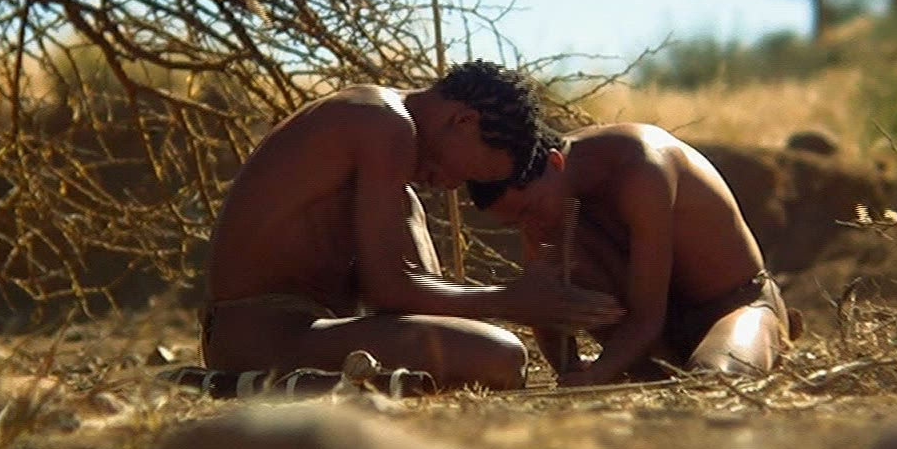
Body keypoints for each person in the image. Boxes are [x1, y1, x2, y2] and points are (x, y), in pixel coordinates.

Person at [201, 61, 625, 390]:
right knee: (500, 356)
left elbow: (407, 305)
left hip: (300, 331)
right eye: (467, 171)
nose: (452, 185)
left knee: (477, 338)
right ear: (464, 121)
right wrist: (512, 300)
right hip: (262, 334)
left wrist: (530, 302)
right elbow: (389, 289)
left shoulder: (390, 153)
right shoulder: (383, 123)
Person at [470, 123, 801, 387]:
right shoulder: (549, 204)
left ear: (556, 164)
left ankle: (764, 331)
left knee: (713, 380)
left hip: (733, 305)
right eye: (515, 222)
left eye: (530, 210)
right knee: (560, 245)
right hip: (659, 341)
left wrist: (599, 374)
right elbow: (545, 301)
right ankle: (653, 366)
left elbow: (647, 316)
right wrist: (571, 371)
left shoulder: (642, 165)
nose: (529, 224)